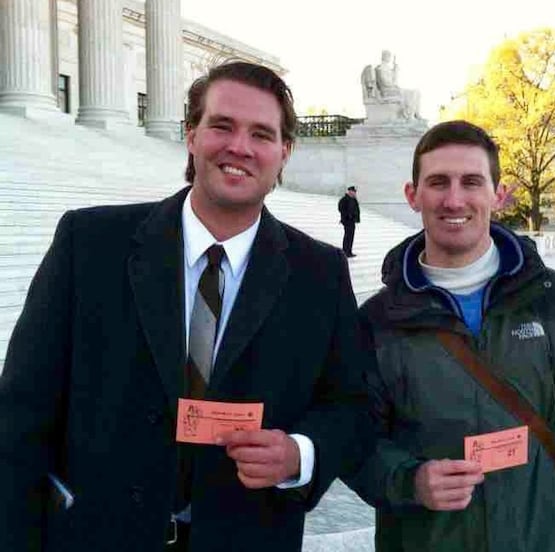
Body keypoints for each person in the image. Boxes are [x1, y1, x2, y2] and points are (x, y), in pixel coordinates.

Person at [0, 61, 374, 552]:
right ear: (192, 134)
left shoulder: (319, 273)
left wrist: (298, 453)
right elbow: (21, 415)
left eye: (261, 134)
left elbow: (350, 405)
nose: (239, 146)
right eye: (222, 125)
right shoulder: (90, 244)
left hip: (248, 535)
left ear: (284, 152)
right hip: (98, 534)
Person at [346, 120, 555, 551]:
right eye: (438, 182)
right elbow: (352, 436)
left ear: (497, 195)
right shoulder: (376, 321)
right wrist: (409, 480)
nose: (454, 199)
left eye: (471, 182)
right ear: (413, 195)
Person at [338, 185, 360, 257]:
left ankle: (349, 251)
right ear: (349, 191)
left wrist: (356, 218)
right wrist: (346, 216)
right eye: (353, 192)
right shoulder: (344, 199)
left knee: (351, 236)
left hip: (352, 221)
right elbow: (341, 208)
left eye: (354, 192)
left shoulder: (354, 200)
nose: (354, 193)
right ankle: (345, 251)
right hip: (347, 221)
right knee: (347, 236)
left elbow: (356, 209)